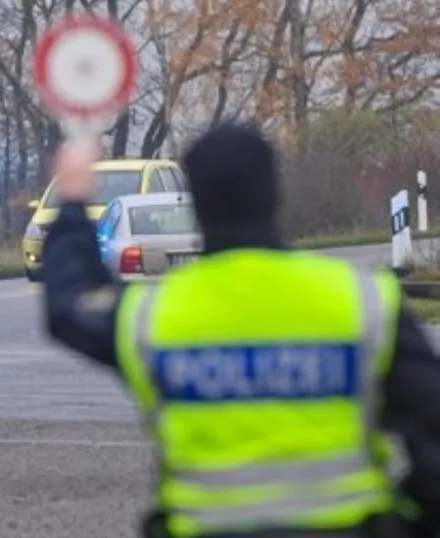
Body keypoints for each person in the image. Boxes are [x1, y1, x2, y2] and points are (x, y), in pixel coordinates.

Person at [41, 123, 440, 538]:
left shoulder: (153, 315)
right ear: (275, 193)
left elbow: (70, 303)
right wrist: (409, 519)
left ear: (194, 201)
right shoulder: (362, 300)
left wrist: (73, 201)